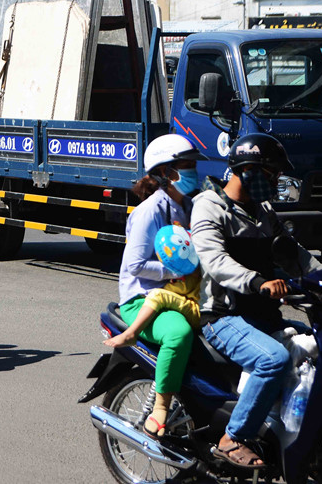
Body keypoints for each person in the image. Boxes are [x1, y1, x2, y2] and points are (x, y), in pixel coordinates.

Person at [191, 133, 319, 470]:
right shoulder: (209, 206)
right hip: (223, 317)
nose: (275, 182)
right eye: (271, 174)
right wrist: (258, 281)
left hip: (262, 315)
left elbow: (293, 253)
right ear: (247, 170)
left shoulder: (262, 210)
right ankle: (232, 438)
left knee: (318, 344)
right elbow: (215, 261)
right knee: (274, 360)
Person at [114, 134, 206, 437]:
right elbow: (136, 266)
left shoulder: (191, 206)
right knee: (178, 333)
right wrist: (176, 271)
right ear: (166, 172)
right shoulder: (150, 211)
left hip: (181, 294)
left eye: (194, 164)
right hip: (141, 298)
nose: (194, 171)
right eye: (187, 165)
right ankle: (160, 410)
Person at [104, 224, 202, 348]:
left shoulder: (189, 278)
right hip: (200, 307)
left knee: (157, 295)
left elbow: (177, 290)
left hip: (199, 311)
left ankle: (131, 333)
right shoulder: (197, 268)